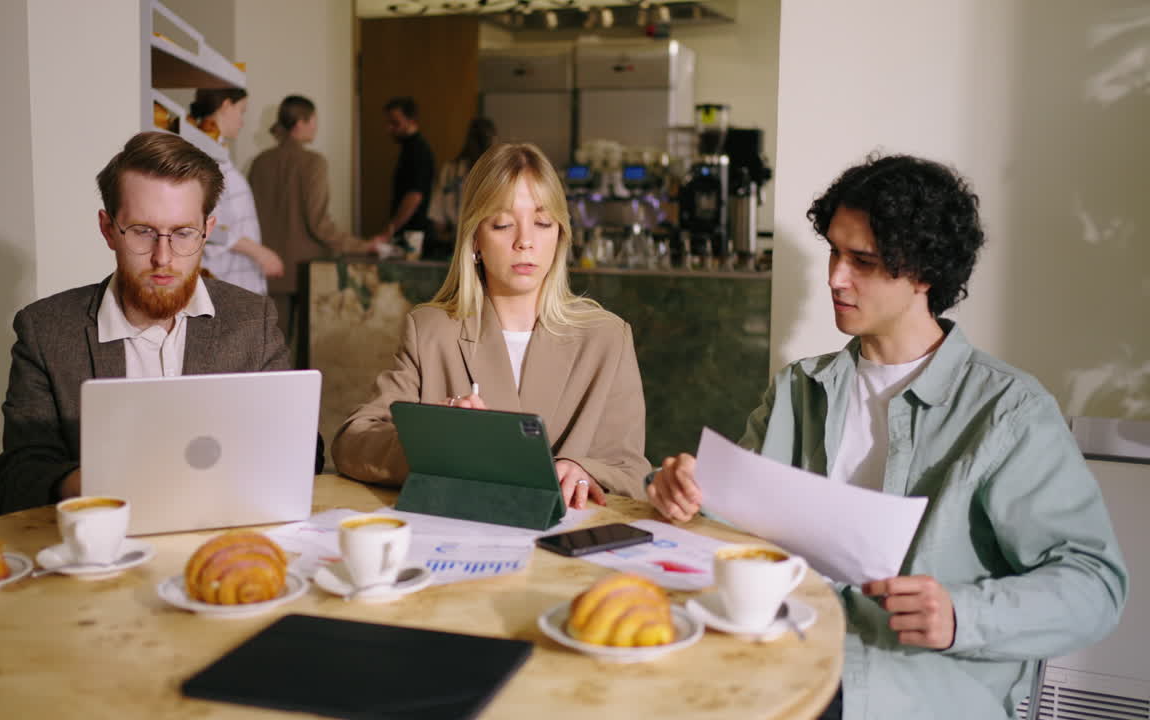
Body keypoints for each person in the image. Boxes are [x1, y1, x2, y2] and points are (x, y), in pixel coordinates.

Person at [647, 154, 1128, 719]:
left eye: (863, 261)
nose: (835, 277)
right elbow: (735, 518)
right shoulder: (800, 387)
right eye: (834, 251)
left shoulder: (1008, 411)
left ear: (924, 273)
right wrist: (685, 489)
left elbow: (1095, 585)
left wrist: (961, 615)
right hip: (784, 662)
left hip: (912, 694)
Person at [0, 131, 321, 515]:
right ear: (108, 229)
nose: (163, 257)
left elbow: (306, 450)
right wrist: (104, 482)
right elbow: (15, 485)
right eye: (143, 231)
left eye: (183, 233)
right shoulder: (46, 331)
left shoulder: (253, 320)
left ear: (207, 232)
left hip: (221, 533)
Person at [333, 142, 652, 507]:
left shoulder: (606, 338)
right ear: (475, 239)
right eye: (503, 224)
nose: (525, 241)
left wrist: (586, 470)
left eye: (543, 223)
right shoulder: (431, 331)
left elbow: (632, 471)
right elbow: (353, 441)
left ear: (560, 235)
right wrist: (433, 442)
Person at [249, 95, 382, 303]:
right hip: (305, 272)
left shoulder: (259, 162)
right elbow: (319, 225)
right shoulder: (313, 162)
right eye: (313, 121)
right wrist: (364, 246)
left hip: (265, 269)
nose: (315, 127)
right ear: (300, 123)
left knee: (272, 325)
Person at [186, 88, 283, 294]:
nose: (242, 121)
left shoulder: (218, 154)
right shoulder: (204, 157)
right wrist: (259, 253)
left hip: (234, 276)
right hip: (223, 277)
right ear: (226, 105)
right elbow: (204, 224)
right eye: (241, 111)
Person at [371, 96, 437, 257]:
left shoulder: (418, 151)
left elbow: (414, 196)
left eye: (395, 123)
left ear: (411, 120)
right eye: (388, 123)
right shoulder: (409, 149)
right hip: (409, 234)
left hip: (415, 235)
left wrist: (389, 230)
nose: (389, 128)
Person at [429, 116, 497, 240]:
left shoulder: (451, 169)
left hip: (460, 236)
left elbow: (438, 219)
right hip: (478, 236)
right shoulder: (452, 170)